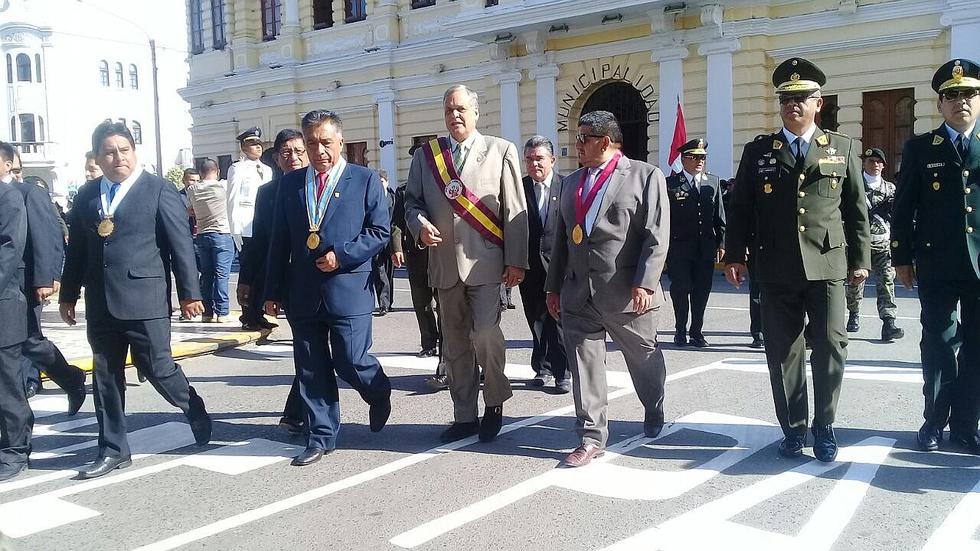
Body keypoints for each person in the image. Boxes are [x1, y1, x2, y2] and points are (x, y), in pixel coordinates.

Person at [724, 57, 870, 463]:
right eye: (787, 99)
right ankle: (793, 429)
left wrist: (861, 259)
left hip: (827, 264)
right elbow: (741, 207)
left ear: (818, 103)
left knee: (831, 345)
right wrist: (734, 254)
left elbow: (856, 209)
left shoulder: (841, 148)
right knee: (783, 350)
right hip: (776, 266)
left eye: (802, 97)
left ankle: (824, 426)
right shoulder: (759, 151)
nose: (793, 105)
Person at [59, 122, 212, 479]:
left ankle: (192, 406)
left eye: (124, 150)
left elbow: (180, 245)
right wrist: (68, 294)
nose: (118, 158)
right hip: (101, 301)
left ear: (134, 152)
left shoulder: (158, 190)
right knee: (105, 376)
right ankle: (113, 449)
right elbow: (78, 249)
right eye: (109, 152)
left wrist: (189, 294)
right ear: (98, 157)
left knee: (158, 368)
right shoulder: (88, 194)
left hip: (145, 298)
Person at [264, 110, 392, 466]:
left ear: (340, 142)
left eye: (325, 142)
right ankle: (321, 436)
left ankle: (378, 391)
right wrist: (272, 291)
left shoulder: (364, 180)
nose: (318, 150)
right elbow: (279, 240)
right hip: (303, 292)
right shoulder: (291, 184)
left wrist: (343, 255)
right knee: (311, 367)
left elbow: (379, 232)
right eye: (311, 143)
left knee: (351, 359)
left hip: (348, 288)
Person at [545, 110, 669, 468]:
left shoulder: (645, 176)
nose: (577, 144)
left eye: (583, 138)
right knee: (584, 364)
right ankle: (591, 436)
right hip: (578, 293)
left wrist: (645, 283)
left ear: (605, 141)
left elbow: (656, 236)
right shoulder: (570, 183)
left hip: (626, 293)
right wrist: (553, 287)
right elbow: (561, 241)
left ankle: (654, 404)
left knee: (643, 358)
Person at [405, 85, 528, 443]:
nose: (454, 115)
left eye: (461, 109)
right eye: (449, 110)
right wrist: (419, 224)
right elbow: (412, 202)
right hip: (444, 263)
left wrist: (516, 260)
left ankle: (495, 402)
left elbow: (515, 209)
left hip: (486, 263)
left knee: (486, 334)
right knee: (455, 343)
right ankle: (464, 415)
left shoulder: (500, 150)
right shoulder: (427, 156)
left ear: (476, 112)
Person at [892, 58, 980, 454]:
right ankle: (934, 419)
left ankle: (966, 424)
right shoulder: (920, 148)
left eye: (969, 93)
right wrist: (901, 257)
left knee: (977, 347)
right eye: (952, 95)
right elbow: (903, 207)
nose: (961, 101)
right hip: (937, 263)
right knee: (939, 344)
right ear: (940, 104)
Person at [0, 144, 87, 411]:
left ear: (7, 164)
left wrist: (46, 278)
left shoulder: (28, 192)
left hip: (23, 282)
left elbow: (46, 236)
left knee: (30, 341)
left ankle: (70, 378)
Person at [239, 129, 308, 433]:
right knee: (306, 346)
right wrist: (246, 280)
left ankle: (305, 408)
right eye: (286, 152)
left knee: (323, 349)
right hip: (287, 281)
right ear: (277, 158)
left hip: (323, 278)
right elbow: (257, 241)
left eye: (299, 151)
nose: (293, 157)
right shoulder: (268, 193)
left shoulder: (320, 184)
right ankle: (297, 412)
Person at [519, 135, 570, 393]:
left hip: (559, 265)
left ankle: (563, 372)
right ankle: (542, 368)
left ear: (552, 159)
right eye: (529, 159)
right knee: (536, 319)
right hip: (529, 266)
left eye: (539, 158)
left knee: (558, 319)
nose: (534, 164)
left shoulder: (566, 186)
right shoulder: (518, 187)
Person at [665, 138, 726, 348]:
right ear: (684, 160)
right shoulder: (671, 184)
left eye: (703, 158)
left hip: (705, 248)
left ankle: (696, 332)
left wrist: (722, 243)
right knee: (681, 288)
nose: (700, 161)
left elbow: (720, 216)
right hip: (679, 248)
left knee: (702, 290)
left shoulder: (713, 182)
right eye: (695, 157)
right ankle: (680, 330)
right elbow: (665, 219)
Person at [845, 148, 904, 342]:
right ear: (864, 164)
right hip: (859, 244)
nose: (875, 165)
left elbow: (898, 217)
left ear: (884, 166)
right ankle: (853, 313)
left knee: (886, 282)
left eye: (879, 162)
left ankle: (889, 322)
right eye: (871, 161)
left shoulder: (890, 189)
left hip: (883, 244)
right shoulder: (855, 186)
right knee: (856, 282)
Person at [227, 126, 273, 330]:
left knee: (263, 271)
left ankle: (258, 312)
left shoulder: (267, 169)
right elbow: (232, 200)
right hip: (246, 227)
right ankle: (247, 315)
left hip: (264, 226)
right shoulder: (237, 169)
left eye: (259, 143)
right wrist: (235, 229)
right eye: (253, 144)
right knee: (248, 272)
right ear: (244, 147)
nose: (258, 147)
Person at [0, 165, 29, 481]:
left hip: (3, 304)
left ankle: (15, 449)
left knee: (6, 384)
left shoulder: (7, 197)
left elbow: (9, 250)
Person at [186, 161, 234, 323]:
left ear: (200, 173)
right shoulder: (223, 187)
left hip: (202, 234)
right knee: (221, 275)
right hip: (222, 233)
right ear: (218, 171)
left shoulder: (192, 189)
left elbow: (190, 210)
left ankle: (207, 312)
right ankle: (222, 312)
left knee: (206, 275)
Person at [372, 170, 395, 316]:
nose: (379, 185)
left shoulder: (393, 198)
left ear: (387, 182)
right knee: (379, 272)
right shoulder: (373, 198)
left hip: (391, 242)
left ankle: (389, 302)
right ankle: (383, 304)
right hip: (378, 241)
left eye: (381, 182)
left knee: (389, 272)